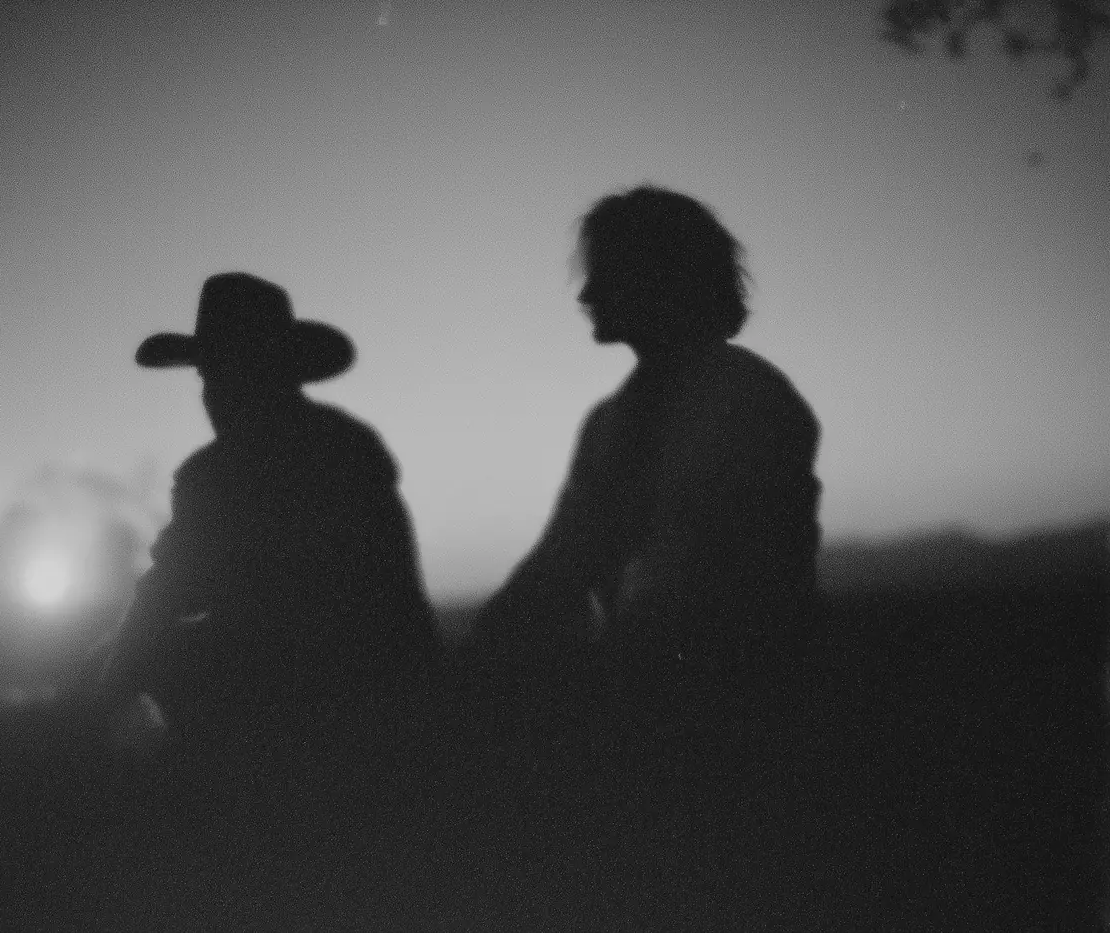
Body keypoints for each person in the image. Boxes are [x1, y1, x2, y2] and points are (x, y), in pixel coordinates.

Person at [474, 185, 822, 719]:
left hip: (737, 710)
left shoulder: (745, 398)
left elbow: (690, 576)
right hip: (661, 708)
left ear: (657, 275)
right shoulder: (611, 420)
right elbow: (562, 561)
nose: (586, 293)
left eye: (605, 271)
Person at [100, 272, 438, 742]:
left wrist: (104, 687)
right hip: (397, 702)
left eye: (223, 373)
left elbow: (166, 594)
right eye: (208, 376)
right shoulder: (349, 446)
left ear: (265, 373)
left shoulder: (215, 476)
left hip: (298, 717)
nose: (212, 394)